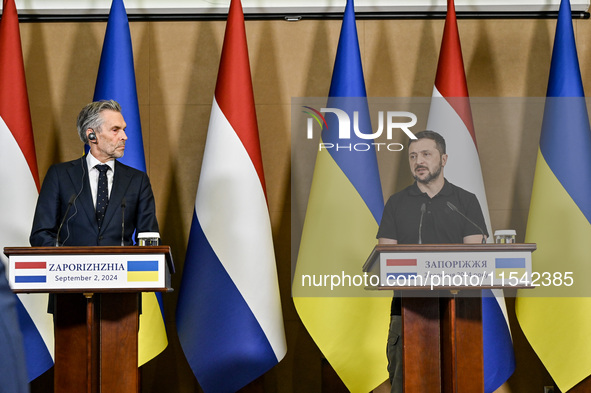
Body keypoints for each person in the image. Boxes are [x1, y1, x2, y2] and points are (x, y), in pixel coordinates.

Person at [376, 130, 488, 393]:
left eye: (426, 154)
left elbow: (476, 256)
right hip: (407, 311)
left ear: (444, 158)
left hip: (458, 311)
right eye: (413, 156)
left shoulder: (465, 201)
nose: (419, 161)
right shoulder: (396, 203)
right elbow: (385, 258)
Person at [30, 100, 158, 247]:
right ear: (92, 135)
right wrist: (66, 263)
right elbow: (41, 234)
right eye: (115, 129)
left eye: (124, 129)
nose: (124, 136)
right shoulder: (60, 175)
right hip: (70, 268)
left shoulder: (138, 180)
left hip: (121, 268)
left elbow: (150, 239)